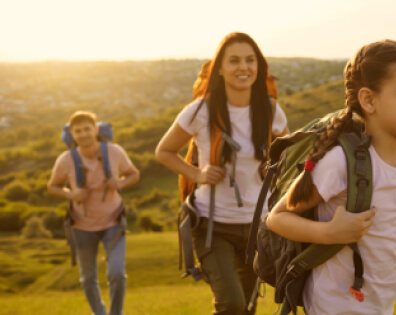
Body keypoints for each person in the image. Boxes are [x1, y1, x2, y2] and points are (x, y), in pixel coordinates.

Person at [266, 40, 396, 315]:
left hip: (379, 305)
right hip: (333, 306)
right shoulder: (340, 163)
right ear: (369, 100)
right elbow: (276, 217)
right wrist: (329, 233)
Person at [155, 32, 289, 315]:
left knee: (248, 306)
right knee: (231, 304)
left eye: (250, 60)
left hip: (259, 226)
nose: (244, 67)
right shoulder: (201, 110)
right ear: (220, 68)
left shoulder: (271, 110)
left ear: (259, 67)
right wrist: (198, 174)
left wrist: (275, 170)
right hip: (212, 225)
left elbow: (289, 156)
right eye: (235, 60)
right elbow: (164, 151)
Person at [47, 111, 140, 315]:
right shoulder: (65, 160)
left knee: (116, 273)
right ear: (72, 134)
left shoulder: (114, 152)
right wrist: (72, 194)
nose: (83, 134)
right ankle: (99, 313)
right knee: (88, 278)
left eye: (87, 129)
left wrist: (121, 183)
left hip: (113, 222)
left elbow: (134, 174)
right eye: (78, 131)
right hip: (81, 226)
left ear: (95, 129)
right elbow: (53, 186)